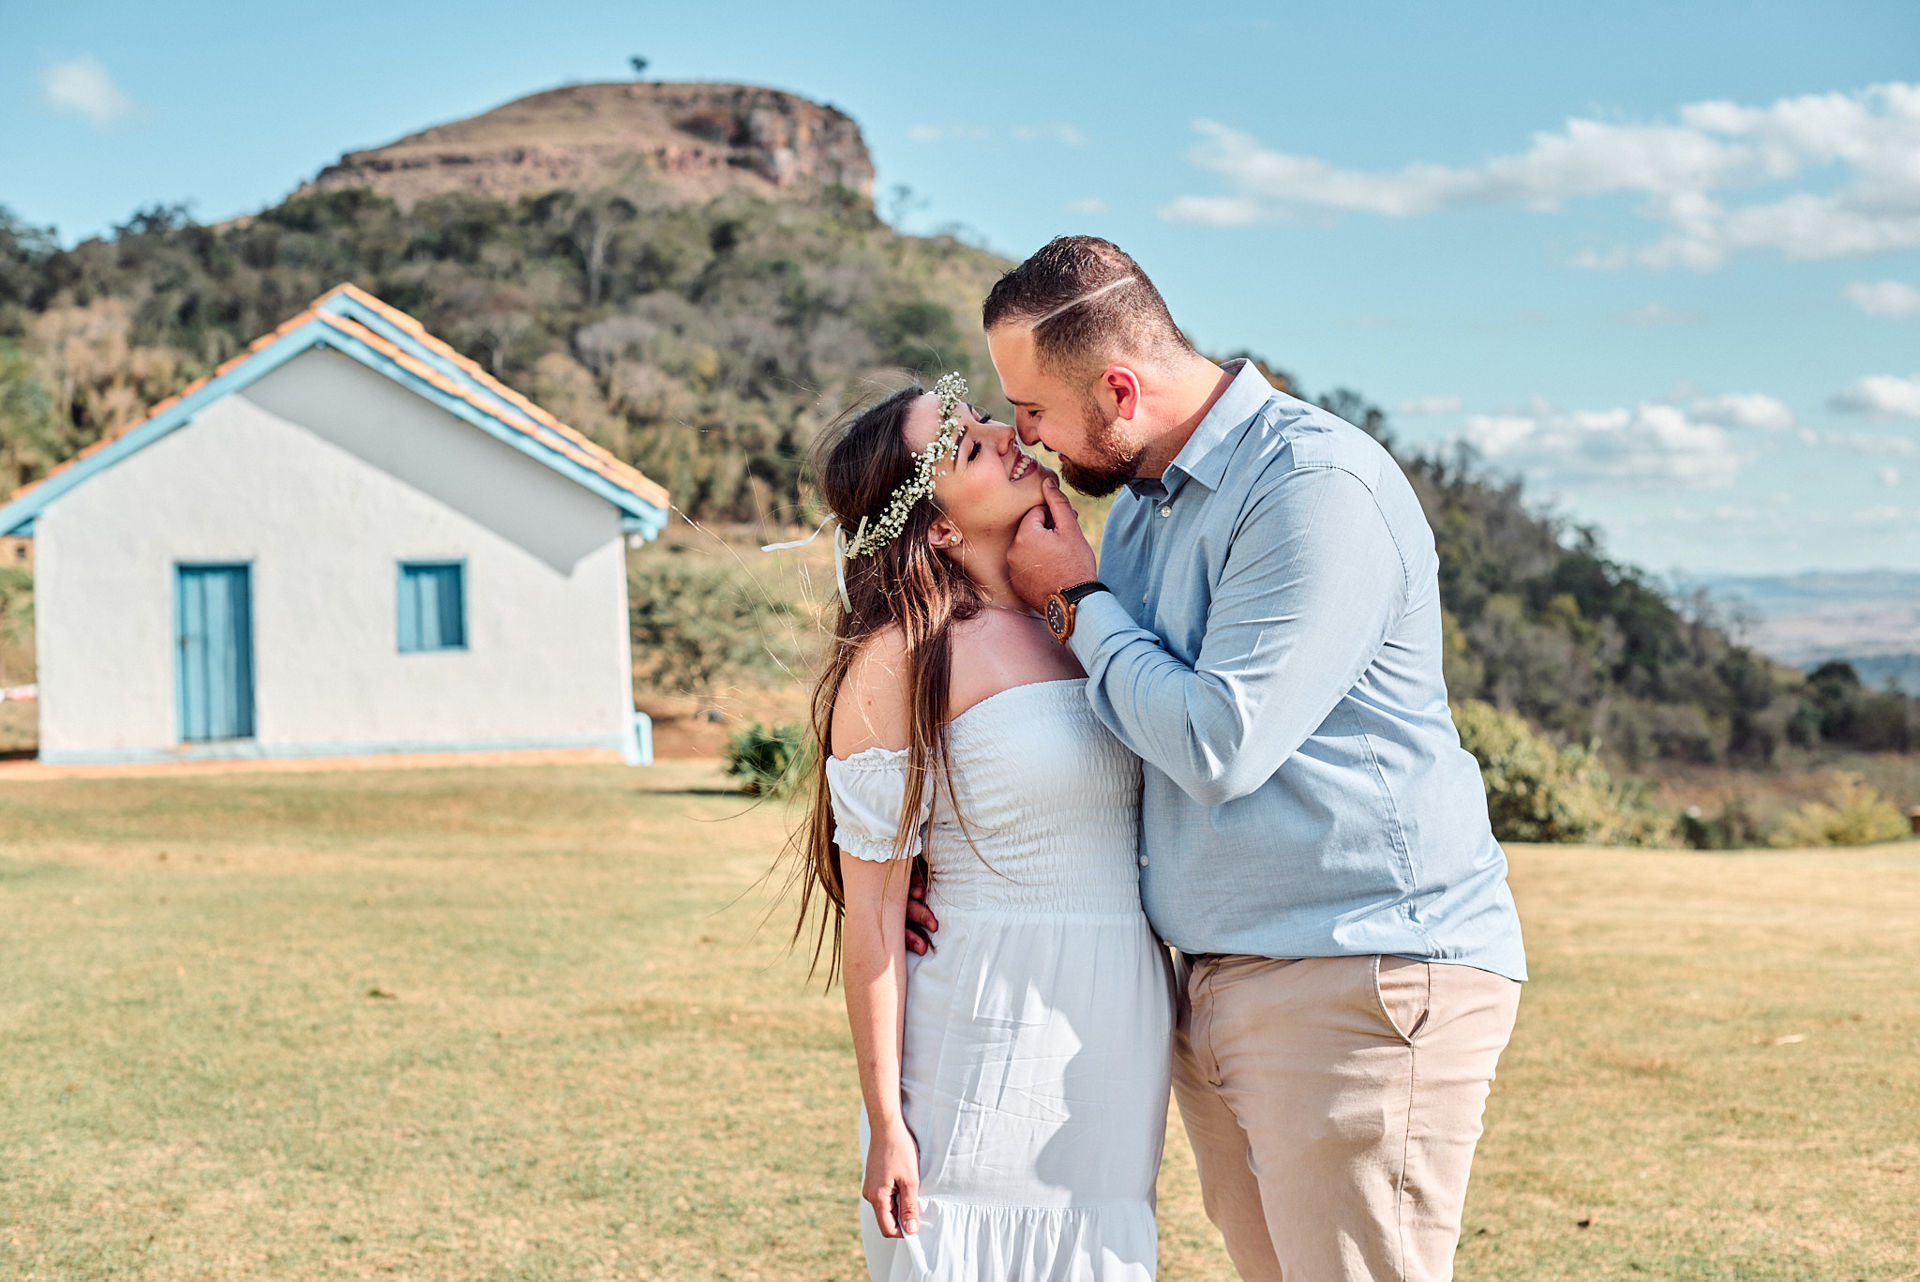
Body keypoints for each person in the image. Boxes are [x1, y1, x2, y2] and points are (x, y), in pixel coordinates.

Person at [906, 235, 1528, 1282]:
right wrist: (940, 851)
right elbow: (1122, 730)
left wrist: (1078, 599)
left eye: (1035, 411)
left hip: (1351, 975)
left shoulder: (1312, 486)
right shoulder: (1150, 509)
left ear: (1117, 387)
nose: (1026, 438)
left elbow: (1215, 740)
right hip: (1223, 980)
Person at [793, 372, 1176, 1281]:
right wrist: (887, 1123)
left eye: (984, 420)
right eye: (967, 446)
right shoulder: (905, 655)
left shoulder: (1086, 611)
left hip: (1112, 1029)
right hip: (978, 1032)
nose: (1008, 435)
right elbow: (873, 912)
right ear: (937, 527)